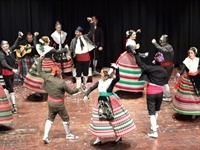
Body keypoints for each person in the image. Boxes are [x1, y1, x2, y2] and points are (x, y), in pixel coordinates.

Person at [83, 63, 136, 146]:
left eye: (101, 72)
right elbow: (91, 88)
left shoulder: (111, 81)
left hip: (110, 101)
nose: (100, 74)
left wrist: (117, 69)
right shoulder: (99, 82)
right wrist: (86, 94)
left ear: (106, 74)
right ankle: (98, 138)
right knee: (99, 120)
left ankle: (119, 136)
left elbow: (118, 78)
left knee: (114, 119)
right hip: (101, 101)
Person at [36, 56, 79, 144]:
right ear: (58, 73)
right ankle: (68, 134)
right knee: (65, 118)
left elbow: (39, 70)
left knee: (50, 119)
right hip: (59, 104)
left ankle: (45, 136)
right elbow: (71, 92)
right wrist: (77, 88)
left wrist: (40, 60)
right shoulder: (61, 83)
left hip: (50, 102)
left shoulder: (47, 77)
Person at [135, 50, 167, 138]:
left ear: (154, 60)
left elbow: (140, 63)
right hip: (160, 92)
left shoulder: (150, 68)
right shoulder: (164, 71)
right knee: (157, 111)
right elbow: (164, 82)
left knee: (151, 113)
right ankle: (154, 126)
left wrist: (136, 54)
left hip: (151, 92)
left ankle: (155, 132)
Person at [173, 47, 200, 118]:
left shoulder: (198, 60)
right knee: (188, 96)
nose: (190, 54)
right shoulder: (186, 60)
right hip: (188, 80)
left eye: (191, 53)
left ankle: (195, 111)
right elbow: (183, 68)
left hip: (196, 79)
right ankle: (186, 110)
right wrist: (179, 73)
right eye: (189, 53)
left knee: (196, 96)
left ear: (195, 53)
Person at [0, 31, 23, 113]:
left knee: (8, 88)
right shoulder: (1, 54)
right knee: (11, 89)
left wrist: (19, 37)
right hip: (6, 72)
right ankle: (14, 106)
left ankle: (5, 101)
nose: (5, 47)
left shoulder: (9, 50)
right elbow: (4, 64)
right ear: (1, 47)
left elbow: (15, 45)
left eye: (6, 46)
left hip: (11, 73)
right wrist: (12, 69)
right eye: (4, 46)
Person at [69, 17, 95, 92]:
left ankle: (84, 84)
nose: (75, 33)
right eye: (75, 32)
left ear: (80, 32)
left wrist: (91, 23)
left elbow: (92, 31)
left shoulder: (85, 37)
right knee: (78, 73)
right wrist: (68, 55)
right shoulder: (73, 40)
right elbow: (70, 49)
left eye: (77, 32)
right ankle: (77, 86)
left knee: (86, 72)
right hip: (78, 58)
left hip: (86, 57)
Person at [152, 35, 174, 102]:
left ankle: (168, 97)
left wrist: (155, 43)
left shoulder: (168, 47)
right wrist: (156, 60)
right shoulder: (165, 47)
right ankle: (165, 93)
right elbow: (161, 55)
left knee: (164, 82)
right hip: (164, 67)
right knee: (163, 81)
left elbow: (163, 51)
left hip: (168, 67)